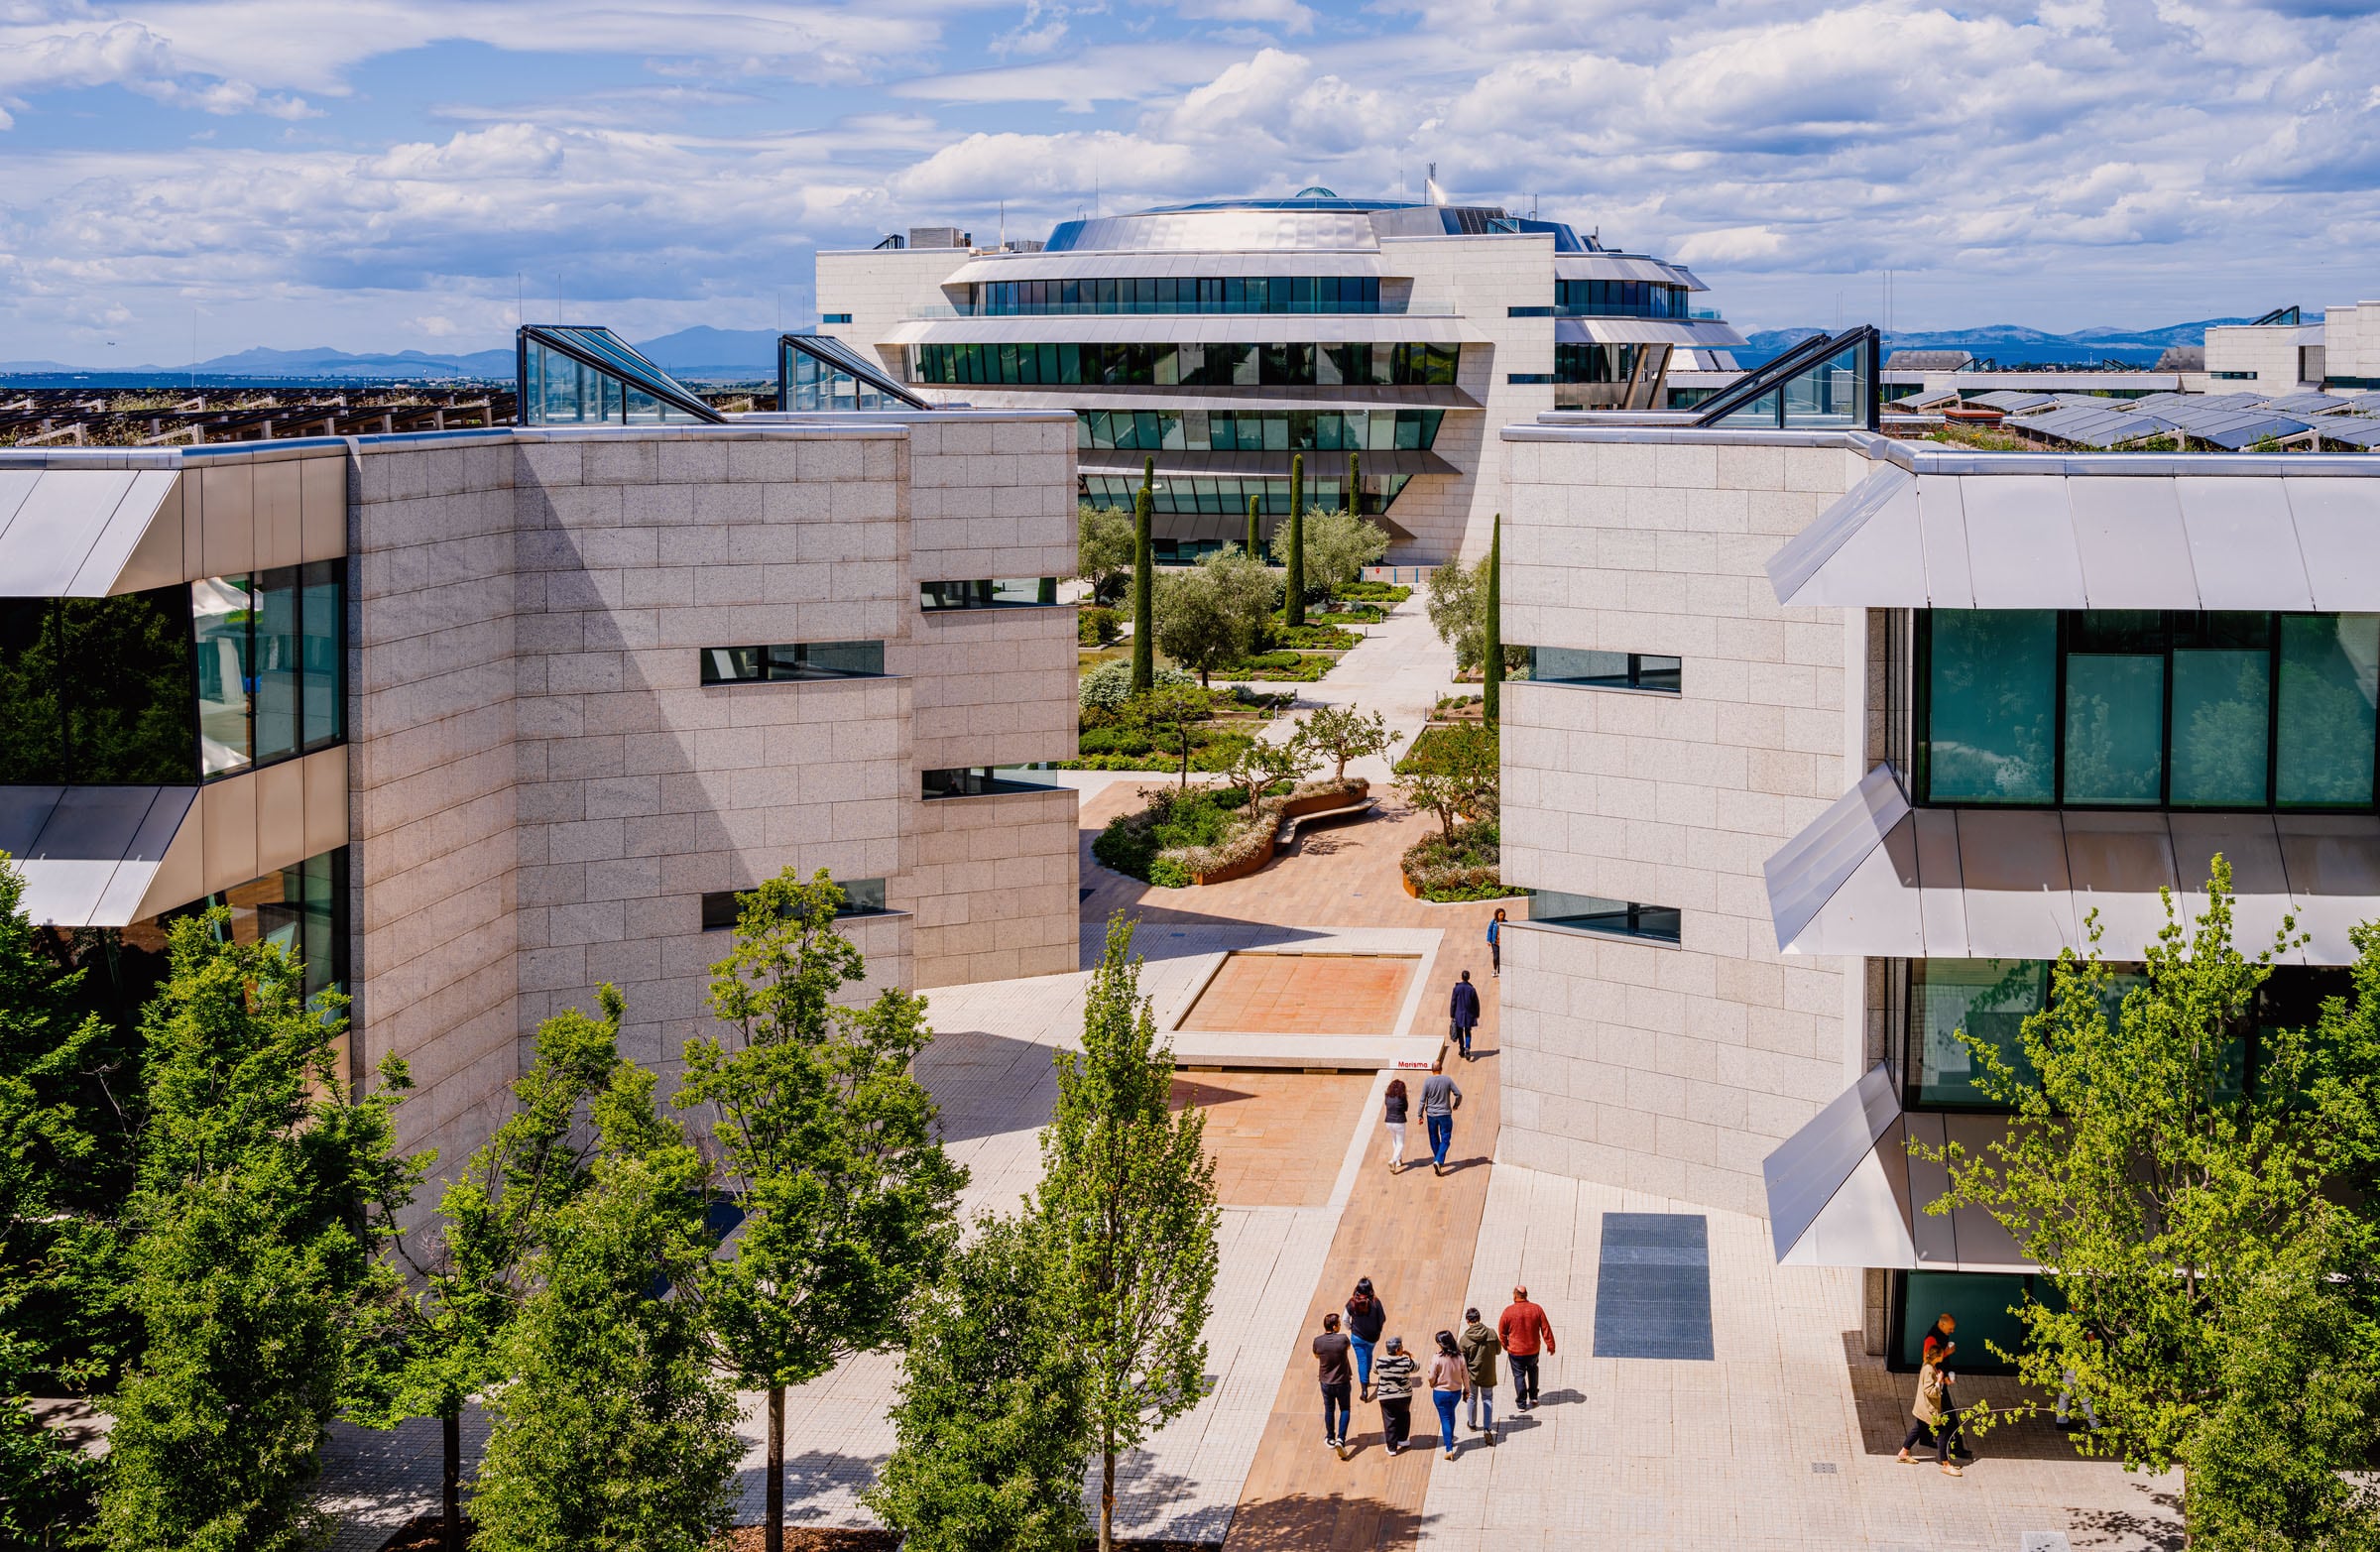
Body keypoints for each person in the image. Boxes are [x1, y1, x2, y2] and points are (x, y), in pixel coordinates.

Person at [1897, 1355, 1965, 1476]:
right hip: (1929, 1409)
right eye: (1940, 1355)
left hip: (1924, 1408)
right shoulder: (1929, 1369)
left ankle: (1903, 1453)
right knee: (1942, 1433)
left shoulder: (1929, 1366)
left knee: (1918, 1428)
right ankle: (1946, 1464)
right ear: (1936, 1356)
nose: (1942, 1357)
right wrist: (1939, 1381)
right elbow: (1930, 1391)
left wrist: (1944, 1381)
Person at [1498, 1285, 1555, 1410]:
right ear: (1526, 1295)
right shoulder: (1536, 1309)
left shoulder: (1508, 1311)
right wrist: (1550, 1345)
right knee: (1533, 1370)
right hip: (1533, 1349)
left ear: (1514, 1296)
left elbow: (1502, 1332)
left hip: (1515, 1351)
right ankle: (1533, 1396)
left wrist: (1505, 1345)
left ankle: (1521, 1403)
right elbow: (1546, 1328)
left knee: (1519, 1376)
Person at [1313, 1312, 1354, 1457]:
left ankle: (1330, 1437)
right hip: (1342, 1381)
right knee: (1345, 1409)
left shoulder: (1317, 1341)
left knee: (1329, 1410)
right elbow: (1348, 1348)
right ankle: (1341, 1439)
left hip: (1325, 1381)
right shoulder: (1342, 1339)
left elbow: (1316, 1355)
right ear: (1335, 1326)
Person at [1459, 1306, 1500, 1442]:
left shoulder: (1464, 1339)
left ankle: (1472, 1424)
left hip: (1472, 1376)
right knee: (1487, 1399)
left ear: (1467, 1320)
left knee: (1472, 1398)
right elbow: (1498, 1350)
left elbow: (1462, 1362)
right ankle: (1487, 1428)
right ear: (1479, 1318)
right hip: (1488, 1374)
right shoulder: (1491, 1333)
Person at [1373, 1335, 1418, 1455]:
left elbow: (1375, 1370)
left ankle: (1392, 1448)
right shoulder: (1406, 1361)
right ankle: (1403, 1440)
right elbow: (1416, 1368)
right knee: (1404, 1416)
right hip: (1404, 1395)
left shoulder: (1380, 1360)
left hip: (1385, 1396)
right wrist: (1410, 1356)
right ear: (1398, 1349)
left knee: (1389, 1420)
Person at [1428, 1330, 1468, 1460]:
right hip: (1455, 1392)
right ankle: (1449, 1437)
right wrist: (1467, 1389)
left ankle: (1449, 1448)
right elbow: (1465, 1376)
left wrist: (1432, 1383)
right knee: (1451, 1414)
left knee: (1444, 1418)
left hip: (1440, 1393)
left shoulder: (1437, 1358)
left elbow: (1431, 1376)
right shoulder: (1460, 1357)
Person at [1346, 1278, 1387, 1400]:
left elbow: (1344, 1319)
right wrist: (1378, 1329)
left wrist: (1351, 1328)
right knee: (1368, 1356)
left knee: (1361, 1360)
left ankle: (1364, 1389)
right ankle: (1367, 1379)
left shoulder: (1352, 1303)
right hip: (1372, 1338)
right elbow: (1383, 1318)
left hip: (1357, 1337)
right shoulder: (1376, 1302)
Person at [1421, 1060, 1463, 1176]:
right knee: (1445, 1138)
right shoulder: (1447, 1080)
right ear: (1441, 1069)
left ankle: (1437, 1159)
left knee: (1433, 1137)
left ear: (1431, 1070)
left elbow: (1422, 1100)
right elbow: (1458, 1094)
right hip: (1445, 1114)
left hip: (1431, 1115)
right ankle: (1438, 1160)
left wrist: (1420, 1115)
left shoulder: (1427, 1082)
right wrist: (1456, 1105)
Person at [1450, 970, 1482, 1061]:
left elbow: (1453, 1002)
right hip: (1469, 1014)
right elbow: (1476, 1003)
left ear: (1461, 977)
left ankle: (1462, 1049)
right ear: (1469, 977)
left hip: (1458, 1014)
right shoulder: (1472, 989)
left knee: (1460, 1033)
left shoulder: (1456, 988)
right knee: (1467, 1032)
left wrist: (1452, 1014)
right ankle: (1467, 1047)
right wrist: (1477, 1014)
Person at [1382, 1079, 1410, 1174]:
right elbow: (1406, 1108)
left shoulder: (1387, 1096)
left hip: (1389, 1121)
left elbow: (1386, 1105)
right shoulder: (1402, 1097)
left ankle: (1398, 1161)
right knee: (1400, 1143)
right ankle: (1393, 1160)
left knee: (1394, 1140)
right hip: (1399, 1122)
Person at [1488, 907, 1506, 977]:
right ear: (1497, 915)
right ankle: (1495, 969)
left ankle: (1499, 971)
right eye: (1500, 915)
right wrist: (1488, 940)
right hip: (1495, 942)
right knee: (1496, 957)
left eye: (1503, 915)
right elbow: (1489, 931)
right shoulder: (1493, 922)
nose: (1502, 917)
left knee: (1500, 957)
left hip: (1502, 943)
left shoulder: (1506, 922)